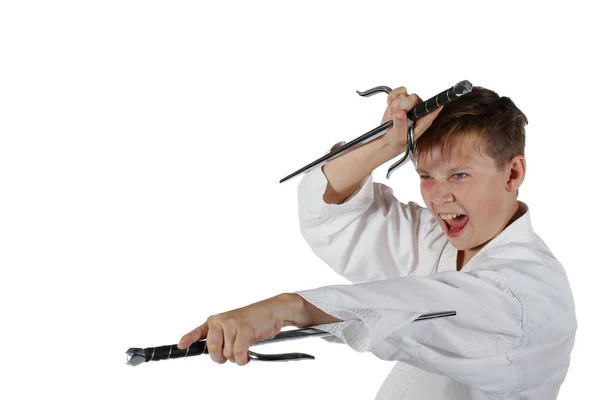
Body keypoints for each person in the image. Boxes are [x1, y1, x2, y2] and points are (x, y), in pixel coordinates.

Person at [177, 85, 577, 399]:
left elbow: (419, 306)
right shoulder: (436, 241)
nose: (438, 197)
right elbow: (331, 214)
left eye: (459, 175)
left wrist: (287, 308)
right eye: (425, 176)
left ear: (513, 174)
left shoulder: (531, 292)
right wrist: (384, 145)